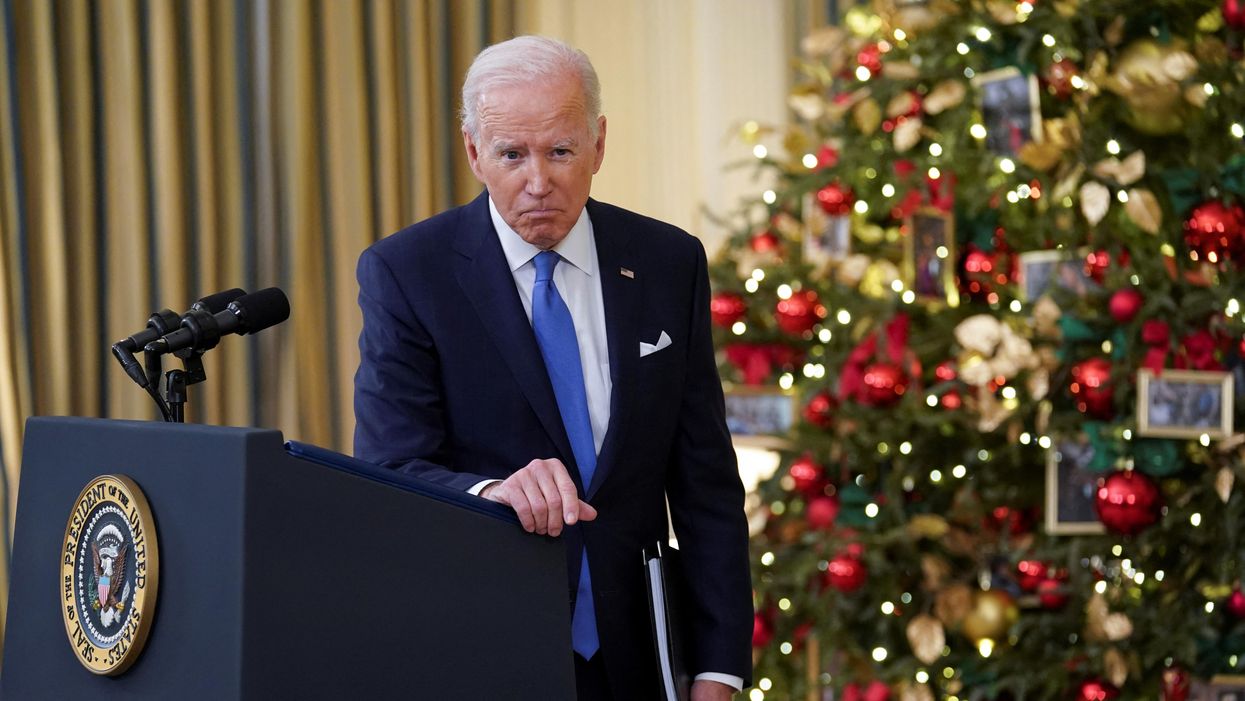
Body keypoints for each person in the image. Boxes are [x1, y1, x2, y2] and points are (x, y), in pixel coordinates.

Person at [353, 36, 752, 700]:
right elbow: (389, 469)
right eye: (511, 154)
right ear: (474, 151)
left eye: (560, 151)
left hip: (643, 659)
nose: (537, 182)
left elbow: (705, 484)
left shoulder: (667, 262)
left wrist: (719, 666)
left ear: (598, 144)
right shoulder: (407, 272)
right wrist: (491, 492)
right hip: (486, 648)